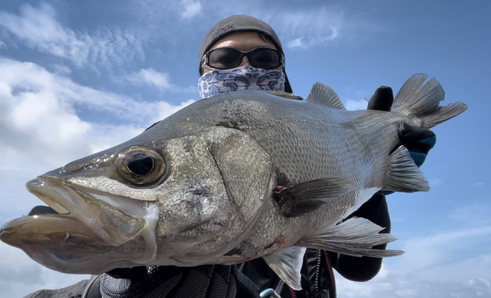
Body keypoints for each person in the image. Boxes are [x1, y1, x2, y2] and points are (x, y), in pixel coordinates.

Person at [26, 15, 436, 298]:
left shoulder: (308, 128)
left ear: (281, 70)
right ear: (204, 72)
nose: (243, 66)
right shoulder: (175, 135)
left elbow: (361, 267)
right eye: (223, 58)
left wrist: (374, 175)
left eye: (263, 58)